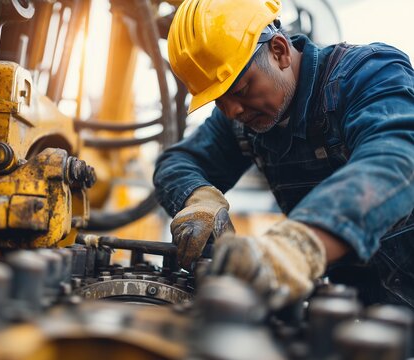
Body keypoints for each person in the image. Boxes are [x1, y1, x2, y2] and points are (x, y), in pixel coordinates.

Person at [153, 0, 414, 309]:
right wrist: (199, 200)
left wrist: (300, 245)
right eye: (218, 101)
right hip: (353, 305)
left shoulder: (367, 73)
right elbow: (177, 163)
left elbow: (396, 158)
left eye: (240, 89)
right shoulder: (241, 119)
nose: (233, 111)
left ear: (279, 51)